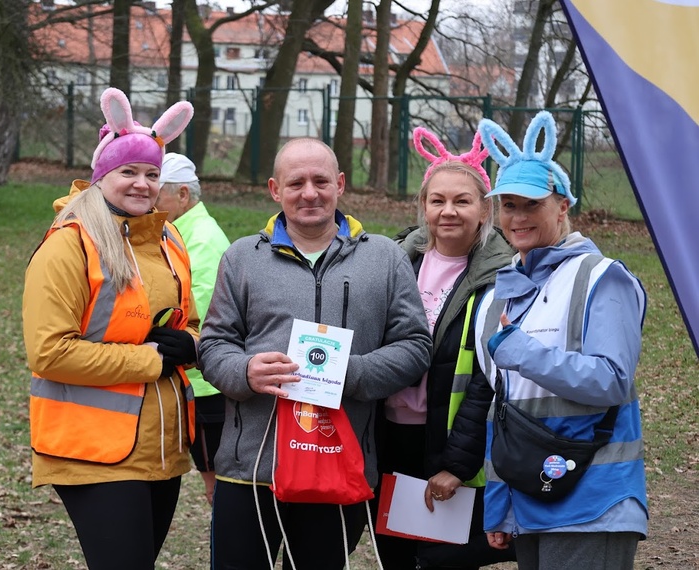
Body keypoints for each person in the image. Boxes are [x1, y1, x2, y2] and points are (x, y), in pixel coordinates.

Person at [198, 137, 433, 570]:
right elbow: (212, 346)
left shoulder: (383, 258)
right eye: (296, 183)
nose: (310, 193)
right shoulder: (241, 258)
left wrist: (352, 372)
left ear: (340, 184)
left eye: (321, 180)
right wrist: (246, 370)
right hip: (252, 468)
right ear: (275, 190)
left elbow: (416, 346)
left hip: (339, 464)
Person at [22, 87, 198, 570]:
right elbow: (49, 352)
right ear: (102, 176)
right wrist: (152, 360)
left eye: (152, 173)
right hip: (91, 448)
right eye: (128, 172)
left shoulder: (168, 238)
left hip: (160, 446)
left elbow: (192, 322)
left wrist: (192, 344)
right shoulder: (68, 245)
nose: (142, 184)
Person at [473, 111, 647, 569]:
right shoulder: (498, 294)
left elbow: (611, 381)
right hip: (531, 499)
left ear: (563, 205)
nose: (517, 216)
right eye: (508, 205)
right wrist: (500, 501)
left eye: (531, 204)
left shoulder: (601, 278)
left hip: (594, 501)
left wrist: (523, 353)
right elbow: (504, 410)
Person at [375, 127, 516, 569]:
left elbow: (489, 377)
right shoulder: (395, 261)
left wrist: (457, 463)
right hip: (387, 436)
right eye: (437, 201)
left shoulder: (503, 276)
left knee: (442, 560)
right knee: (395, 555)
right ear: (423, 207)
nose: (448, 212)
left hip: (450, 441)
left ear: (484, 209)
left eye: (462, 201)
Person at [156, 152, 231, 505]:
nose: (149, 202)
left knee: (217, 484)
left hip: (205, 387)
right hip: (193, 381)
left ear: (183, 195)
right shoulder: (178, 232)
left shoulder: (199, 239)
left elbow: (203, 312)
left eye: (157, 195)